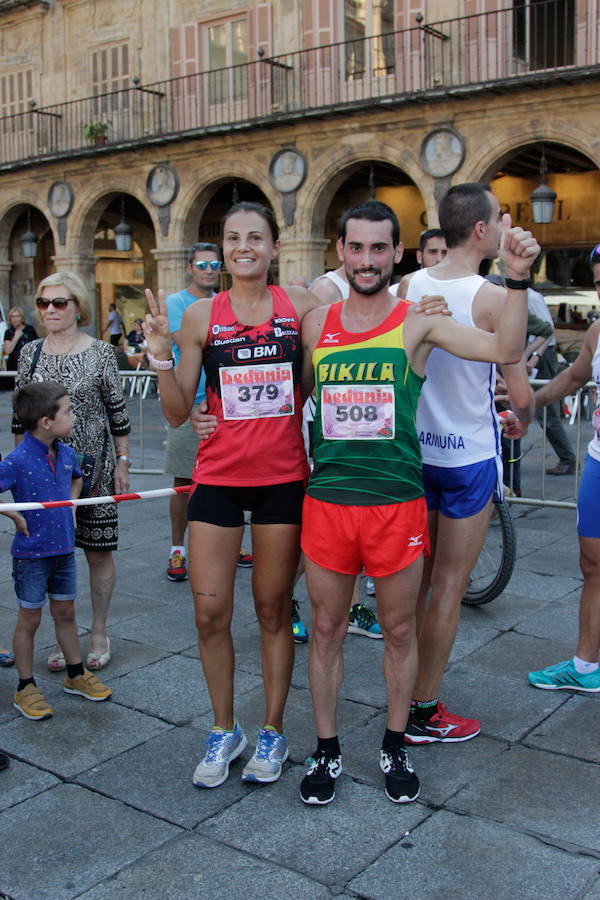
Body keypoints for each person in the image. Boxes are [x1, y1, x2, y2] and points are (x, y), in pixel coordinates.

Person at [298, 199, 539, 806]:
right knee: (326, 629)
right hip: (328, 502)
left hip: (397, 503)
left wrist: (515, 279)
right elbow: (287, 395)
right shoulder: (315, 323)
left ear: (397, 253)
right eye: (356, 247)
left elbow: (505, 349)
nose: (367, 259)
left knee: (400, 630)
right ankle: (326, 748)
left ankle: (395, 742)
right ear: (341, 251)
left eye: (380, 248)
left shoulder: (417, 322)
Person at [144, 203, 321, 789]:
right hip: (217, 478)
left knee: (273, 610)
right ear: (221, 248)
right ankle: (225, 729)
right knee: (209, 612)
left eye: (255, 237)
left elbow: (361, 325)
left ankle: (272, 728)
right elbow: (175, 411)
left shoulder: (302, 306)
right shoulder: (199, 315)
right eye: (232, 238)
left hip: (281, 479)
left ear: (274, 246)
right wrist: (160, 354)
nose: (243, 246)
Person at [398, 183, 535, 746]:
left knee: (416, 587)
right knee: (450, 587)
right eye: (500, 219)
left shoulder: (408, 285)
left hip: (415, 453)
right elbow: (520, 392)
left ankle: (400, 699)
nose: (504, 226)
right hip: (468, 458)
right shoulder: (495, 297)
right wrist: (520, 417)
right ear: (481, 230)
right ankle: (425, 709)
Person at [14, 272, 131, 672]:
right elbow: (20, 420)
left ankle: (99, 631)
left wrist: (124, 460)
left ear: (78, 306)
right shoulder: (28, 353)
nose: (50, 310)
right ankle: (67, 636)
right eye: (44, 302)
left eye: (60, 303)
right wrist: (18, 475)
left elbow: (118, 412)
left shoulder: (101, 353)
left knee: (98, 553)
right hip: (43, 476)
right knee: (52, 556)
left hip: (93, 469)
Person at [5, 382, 112, 720]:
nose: (74, 415)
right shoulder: (18, 459)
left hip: (64, 551)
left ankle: (75, 673)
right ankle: (25, 686)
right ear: (45, 421)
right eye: (67, 410)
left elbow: (77, 478)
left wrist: (72, 506)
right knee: (30, 620)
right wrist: (13, 513)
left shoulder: (66, 453)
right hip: (31, 556)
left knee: (66, 613)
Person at [526, 244, 600, 692]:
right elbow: (574, 378)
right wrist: (527, 401)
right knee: (591, 564)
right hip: (598, 463)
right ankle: (586, 665)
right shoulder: (596, 332)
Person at [164, 242, 221, 581]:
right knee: (183, 479)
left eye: (214, 263)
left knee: (230, 478)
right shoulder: (176, 302)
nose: (209, 269)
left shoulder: (226, 301)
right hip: (189, 401)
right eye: (202, 263)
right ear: (190, 267)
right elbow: (186, 338)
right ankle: (176, 549)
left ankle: (236, 540)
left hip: (223, 403)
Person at [3, 307, 37, 374]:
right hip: (13, 366)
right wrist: (16, 337)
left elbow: (36, 346)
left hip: (28, 364)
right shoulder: (8, 332)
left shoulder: (30, 329)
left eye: (17, 316)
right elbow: (8, 351)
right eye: (12, 317)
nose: (14, 319)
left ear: (22, 318)